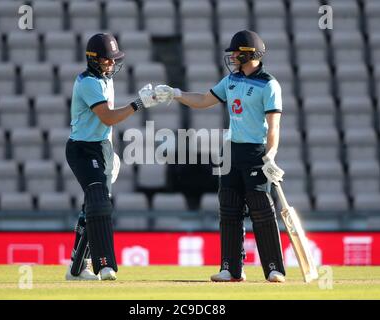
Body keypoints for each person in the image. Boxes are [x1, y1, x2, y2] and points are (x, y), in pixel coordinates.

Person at [155, 30, 286, 282]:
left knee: (261, 210)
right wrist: (176, 93)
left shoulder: (269, 84)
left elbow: (274, 126)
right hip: (230, 151)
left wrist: (271, 155)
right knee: (229, 208)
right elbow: (204, 99)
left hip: (255, 152)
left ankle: (273, 268)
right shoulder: (231, 81)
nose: (233, 56)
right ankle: (231, 268)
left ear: (250, 54)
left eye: (237, 52)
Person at [65, 33, 161, 281]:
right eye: (107, 60)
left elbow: (106, 125)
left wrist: (110, 154)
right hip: (82, 149)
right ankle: (105, 264)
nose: (111, 64)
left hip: (102, 148)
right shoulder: (88, 82)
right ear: (94, 59)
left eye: (113, 60)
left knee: (93, 208)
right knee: (99, 203)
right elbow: (107, 117)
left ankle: (76, 268)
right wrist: (138, 104)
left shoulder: (106, 80)